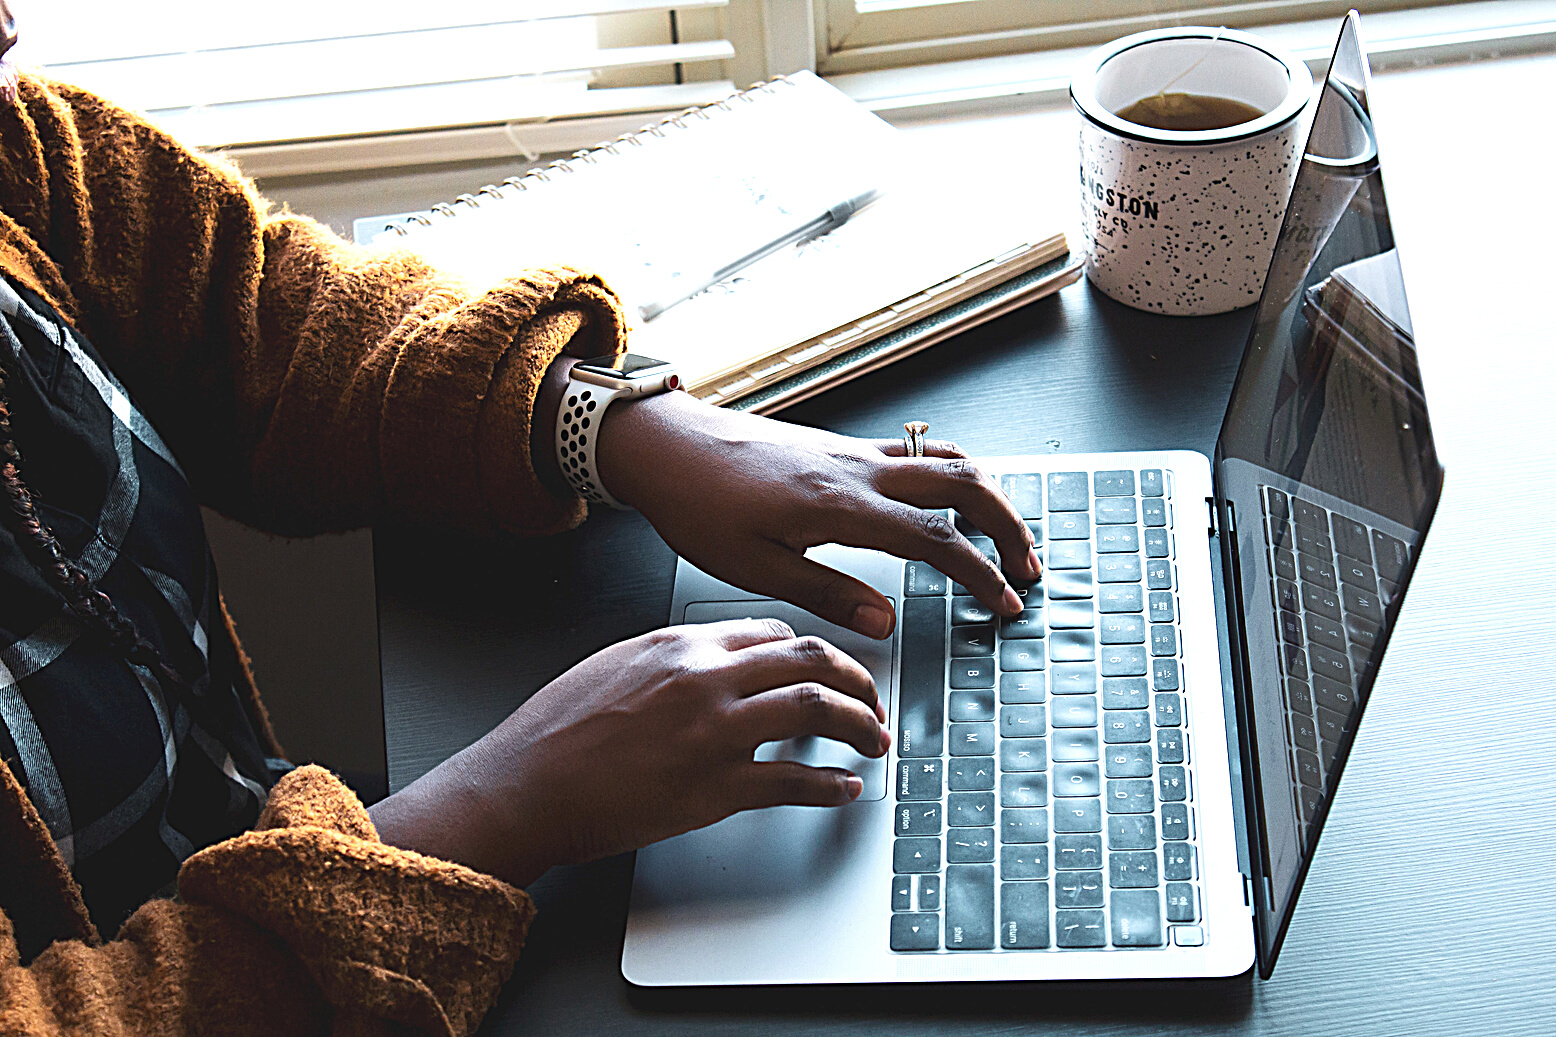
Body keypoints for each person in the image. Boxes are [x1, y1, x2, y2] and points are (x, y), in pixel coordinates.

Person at [0, 15, 1038, 1036]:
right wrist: (507, 802)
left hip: (274, 848)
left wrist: (627, 426)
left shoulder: (17, 152)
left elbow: (267, 312)